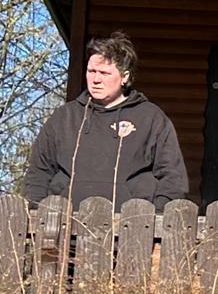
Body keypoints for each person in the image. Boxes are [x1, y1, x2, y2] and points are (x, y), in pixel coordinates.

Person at [23, 32, 188, 211]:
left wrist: (156, 217)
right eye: (91, 71)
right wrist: (38, 215)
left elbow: (173, 179)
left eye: (104, 73)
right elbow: (38, 173)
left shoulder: (151, 119)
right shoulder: (64, 118)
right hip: (66, 222)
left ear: (125, 77)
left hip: (132, 223)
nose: (96, 79)